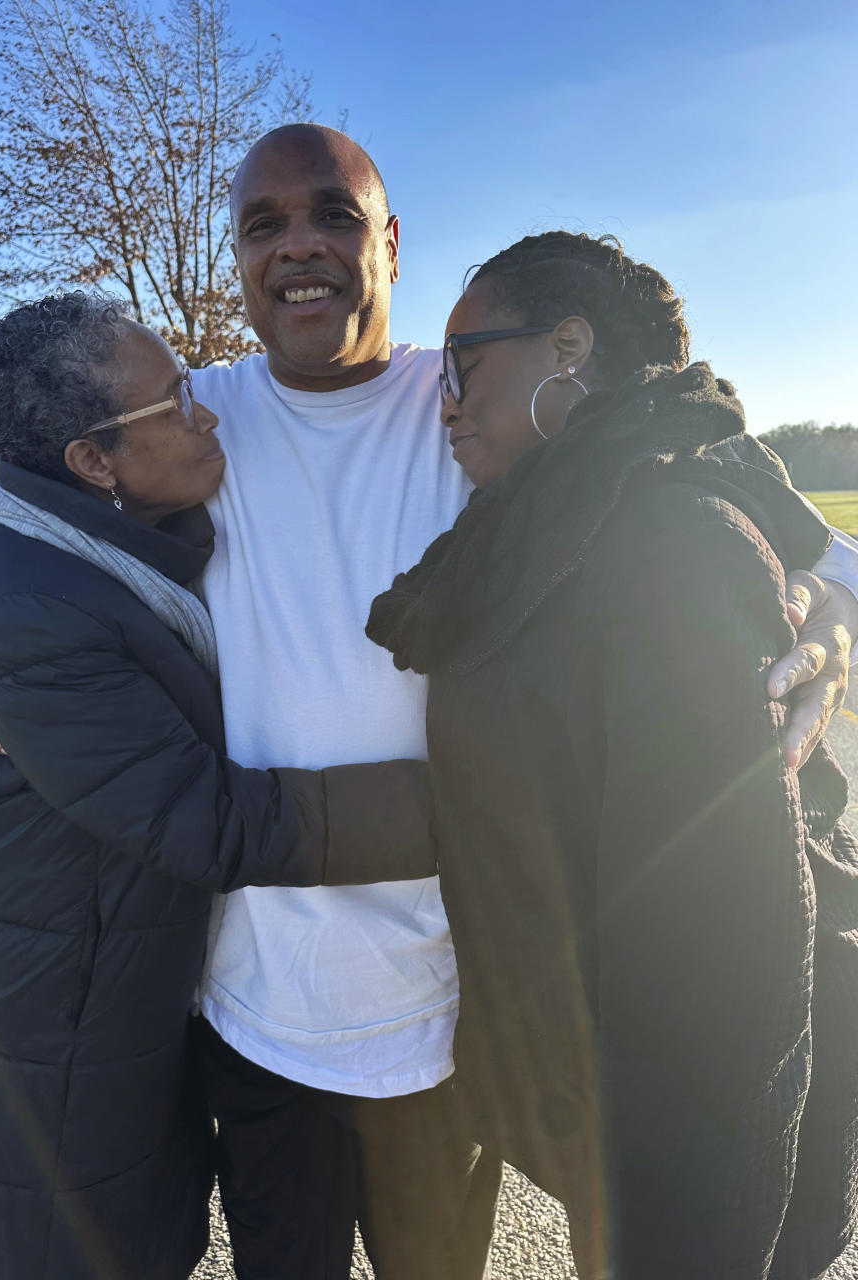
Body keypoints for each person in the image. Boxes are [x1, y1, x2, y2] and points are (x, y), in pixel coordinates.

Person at [0, 127, 856, 1280]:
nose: (298, 244)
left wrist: (821, 612)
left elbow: (798, 531)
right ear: (238, 259)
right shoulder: (189, 416)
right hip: (255, 1005)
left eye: (334, 214)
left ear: (389, 241)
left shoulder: (478, 402)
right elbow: (14, 530)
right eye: (263, 225)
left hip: (452, 1011)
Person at [0, 292, 440, 1280]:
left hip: (94, 989)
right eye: (174, 401)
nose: (206, 412)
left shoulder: (82, 533)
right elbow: (209, 818)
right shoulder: (35, 606)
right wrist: (463, 804)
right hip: (50, 1036)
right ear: (93, 461)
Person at [367, 230, 858, 1279]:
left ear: (570, 347)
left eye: (464, 366)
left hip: (679, 1156)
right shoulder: (547, 517)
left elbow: (735, 977)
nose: (444, 401)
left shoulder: (671, 542)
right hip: (600, 1088)